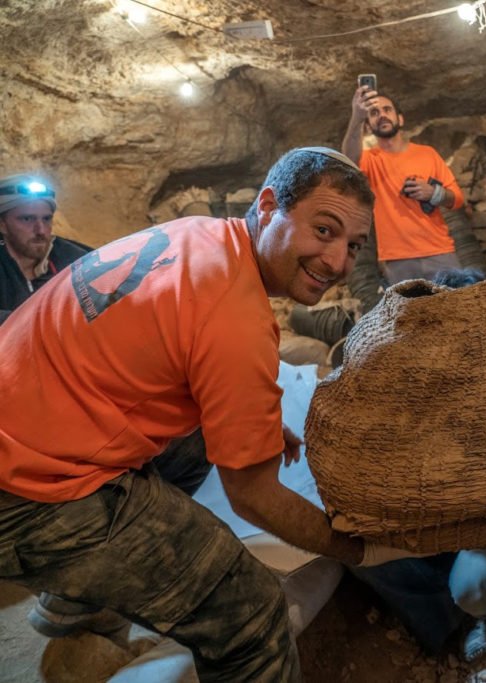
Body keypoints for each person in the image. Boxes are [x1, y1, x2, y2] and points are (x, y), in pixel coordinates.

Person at [0, 147, 419, 681]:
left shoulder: (200, 234)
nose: (338, 262)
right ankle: (74, 585)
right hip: (26, 493)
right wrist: (360, 550)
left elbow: (168, 347)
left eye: (353, 245)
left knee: (194, 446)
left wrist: (249, 421)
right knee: (252, 617)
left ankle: (74, 603)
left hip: (28, 416)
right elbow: (253, 496)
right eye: (324, 230)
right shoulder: (236, 317)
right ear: (268, 206)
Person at [347, 267, 486, 662]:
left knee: (475, 579)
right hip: (438, 509)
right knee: (354, 549)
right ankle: (448, 622)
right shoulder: (413, 377)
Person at [340, 85, 466, 284]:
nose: (381, 115)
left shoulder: (427, 154)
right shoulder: (369, 160)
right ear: (368, 126)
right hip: (397, 261)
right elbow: (347, 162)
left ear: (400, 118)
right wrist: (356, 117)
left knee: (458, 312)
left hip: (440, 252)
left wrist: (434, 193)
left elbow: (457, 200)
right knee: (411, 315)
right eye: (373, 113)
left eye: (387, 110)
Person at [0, 174, 90, 324]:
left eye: (46, 219)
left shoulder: (76, 261)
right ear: (2, 224)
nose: (40, 230)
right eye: (27, 219)